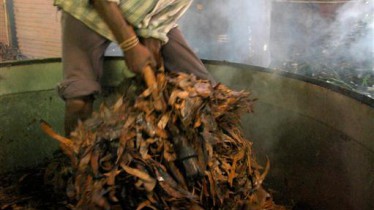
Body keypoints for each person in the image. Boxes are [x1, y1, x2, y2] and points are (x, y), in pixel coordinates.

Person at [53, 0, 216, 137]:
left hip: (140, 16)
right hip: (89, 10)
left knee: (203, 84)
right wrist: (130, 45)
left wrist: (152, 42)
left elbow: (165, 14)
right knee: (79, 98)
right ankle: (76, 166)